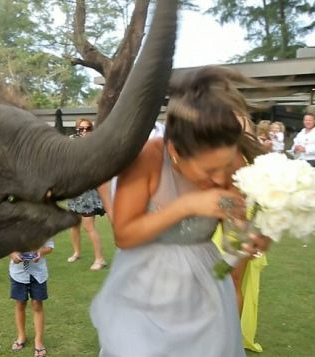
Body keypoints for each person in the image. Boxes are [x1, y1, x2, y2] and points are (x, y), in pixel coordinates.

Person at [90, 66, 271, 357]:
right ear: (174, 149)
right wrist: (186, 206)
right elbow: (124, 235)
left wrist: (252, 238)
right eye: (209, 169)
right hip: (144, 285)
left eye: (223, 166)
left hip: (206, 288)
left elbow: (237, 234)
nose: (218, 179)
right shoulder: (147, 158)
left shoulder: (231, 157)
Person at [211, 114, 269, 353]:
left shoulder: (243, 159)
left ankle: (225, 341)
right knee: (225, 283)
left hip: (235, 223)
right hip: (230, 223)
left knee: (229, 283)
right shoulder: (233, 155)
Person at [66, 118, 107, 271]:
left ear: (92, 129)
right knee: (74, 225)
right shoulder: (72, 143)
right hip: (74, 191)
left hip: (88, 193)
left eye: (87, 128)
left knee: (88, 227)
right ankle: (76, 252)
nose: (84, 131)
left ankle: (100, 259)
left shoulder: (96, 146)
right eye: (80, 129)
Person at [9, 239, 54, 357]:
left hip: (38, 273)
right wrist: (12, 254)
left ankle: (38, 341)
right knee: (20, 303)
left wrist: (40, 252)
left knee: (37, 304)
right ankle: (21, 336)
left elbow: (50, 247)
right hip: (17, 273)